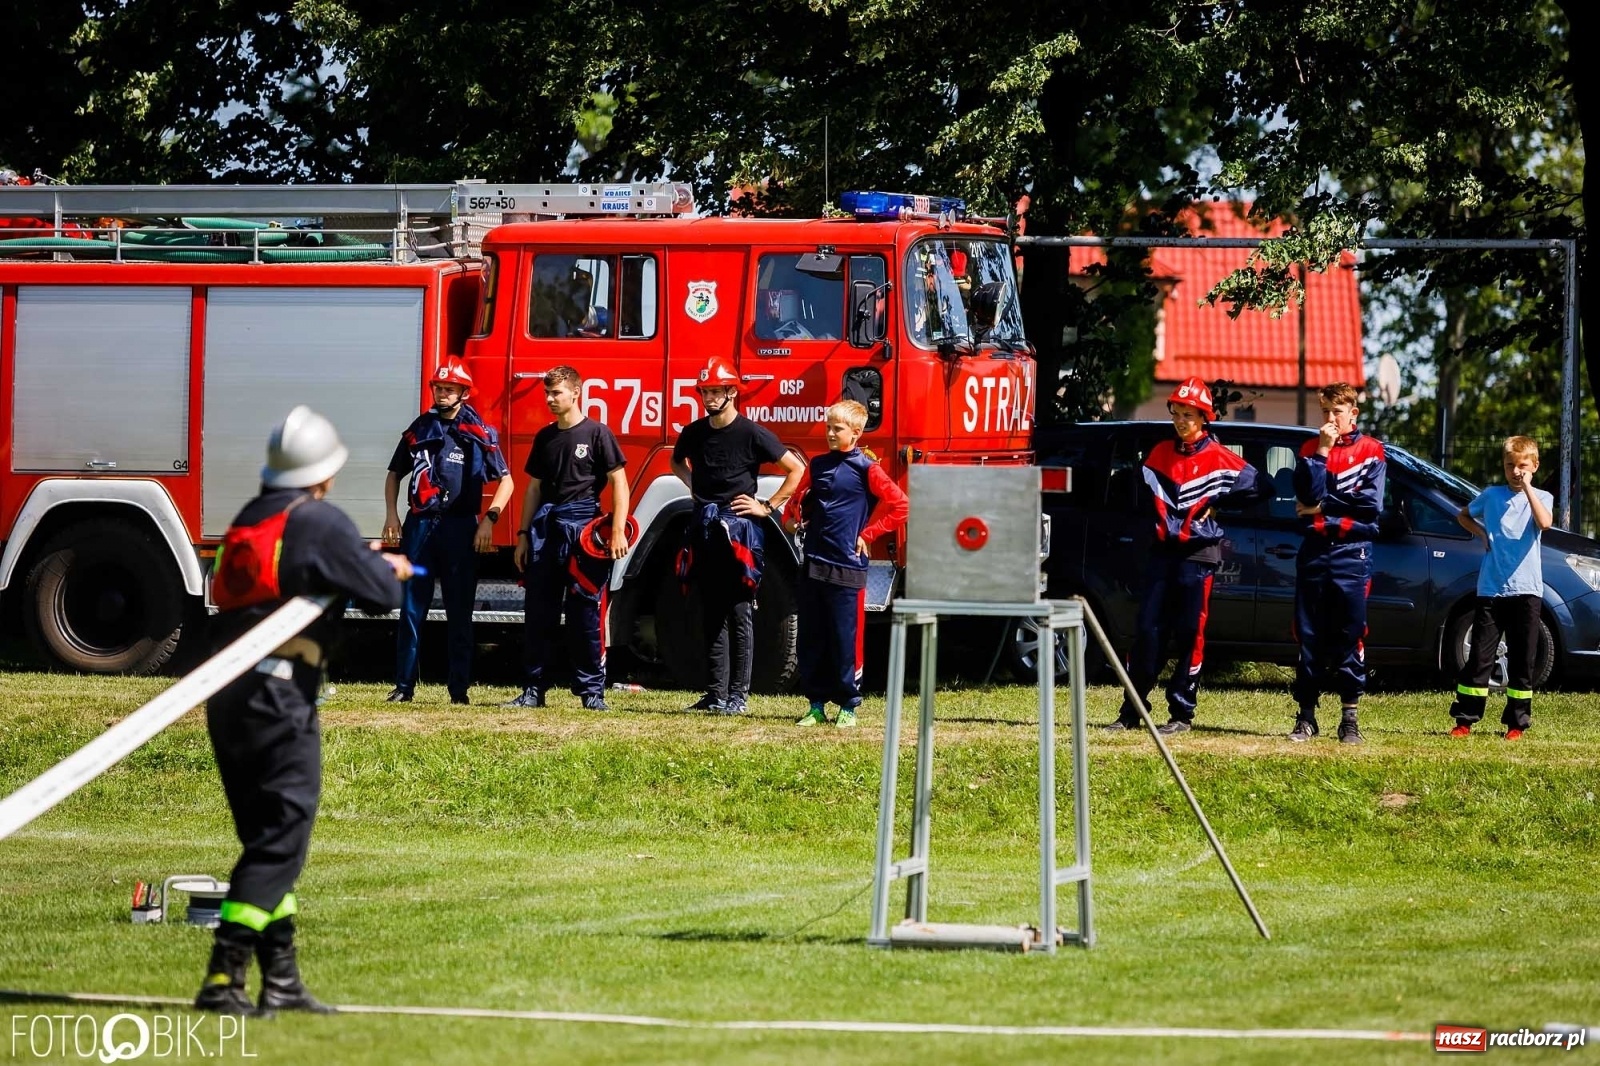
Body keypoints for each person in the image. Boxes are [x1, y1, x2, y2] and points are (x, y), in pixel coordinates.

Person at [196, 406, 411, 1015]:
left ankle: (282, 981)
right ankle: (224, 978)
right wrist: (381, 566)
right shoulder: (316, 520)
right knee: (282, 838)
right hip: (278, 697)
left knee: (267, 841)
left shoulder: (252, 517)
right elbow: (383, 594)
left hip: (229, 695)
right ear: (325, 473)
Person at [1105, 378, 1267, 735]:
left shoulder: (1221, 457)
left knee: (1190, 632)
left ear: (1204, 417)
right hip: (1163, 552)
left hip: (1199, 554)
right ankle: (1132, 710)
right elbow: (1133, 490)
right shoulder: (1159, 453)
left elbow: (1260, 486)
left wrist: (1218, 501)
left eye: (1189, 415)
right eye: (1176, 413)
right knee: (1147, 630)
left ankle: (1181, 714)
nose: (1181, 421)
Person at [670, 354, 805, 715]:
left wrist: (768, 506)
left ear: (733, 392)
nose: (709, 398)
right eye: (705, 391)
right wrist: (693, 486)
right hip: (704, 525)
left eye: (716, 391)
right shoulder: (694, 432)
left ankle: (738, 696)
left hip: (739, 530)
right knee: (711, 611)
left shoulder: (752, 433)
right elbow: (675, 461)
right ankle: (715, 694)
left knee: (740, 611)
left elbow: (795, 468)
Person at [381, 358, 512, 705]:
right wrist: (392, 516)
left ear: (463, 393)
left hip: (460, 529)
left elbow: (507, 481)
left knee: (459, 611)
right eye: (438, 388)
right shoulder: (420, 428)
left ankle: (458, 691)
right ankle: (404, 686)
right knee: (411, 608)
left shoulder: (478, 432)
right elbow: (394, 473)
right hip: (420, 527)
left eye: (449, 389)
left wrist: (489, 520)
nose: (442, 394)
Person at [504, 366, 631, 711]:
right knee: (538, 613)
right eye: (547, 393)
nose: (549, 399)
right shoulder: (545, 437)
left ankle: (592, 693)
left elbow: (619, 482)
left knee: (585, 614)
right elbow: (532, 489)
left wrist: (617, 529)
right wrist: (522, 535)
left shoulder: (597, 433)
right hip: (546, 530)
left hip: (583, 528)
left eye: (556, 392)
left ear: (576, 392)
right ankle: (533, 690)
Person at [781, 400, 908, 728]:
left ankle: (848, 705)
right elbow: (795, 503)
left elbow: (900, 505)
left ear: (856, 432)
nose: (830, 433)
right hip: (813, 562)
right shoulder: (817, 464)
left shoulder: (867, 468)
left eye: (837, 429)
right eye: (828, 427)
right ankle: (816, 704)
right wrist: (791, 520)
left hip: (848, 565)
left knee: (845, 636)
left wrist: (870, 532)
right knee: (812, 635)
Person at [1289, 382, 1387, 744]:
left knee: (1350, 633)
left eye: (1338, 412)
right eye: (1326, 412)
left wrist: (1325, 510)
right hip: (1314, 553)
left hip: (1353, 554)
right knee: (1309, 634)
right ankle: (1306, 717)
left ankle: (1350, 720)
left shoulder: (1372, 451)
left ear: (1353, 414)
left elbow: (1370, 509)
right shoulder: (1310, 449)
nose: (1331, 419)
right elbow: (1305, 497)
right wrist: (1322, 452)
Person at [1448, 436, 1554, 738]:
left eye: (1522, 465)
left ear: (1534, 466)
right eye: (1510, 465)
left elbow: (1545, 523)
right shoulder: (1492, 496)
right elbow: (1463, 515)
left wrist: (1529, 488)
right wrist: (1481, 534)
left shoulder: (1542, 497)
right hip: (1492, 589)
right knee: (1480, 656)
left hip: (1527, 590)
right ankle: (1465, 719)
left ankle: (1517, 722)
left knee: (1523, 657)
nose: (1515, 471)